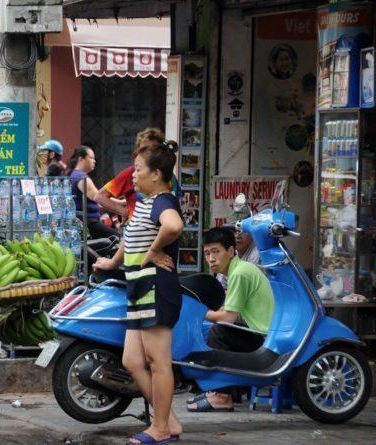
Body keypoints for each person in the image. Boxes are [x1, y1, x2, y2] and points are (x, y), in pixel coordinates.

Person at [93, 141, 184, 444]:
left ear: (156, 174)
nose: (133, 175)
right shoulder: (147, 202)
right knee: (133, 360)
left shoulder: (163, 202)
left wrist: (154, 251)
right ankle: (167, 419)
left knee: (159, 361)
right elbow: (131, 236)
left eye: (139, 170)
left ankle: (159, 427)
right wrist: (113, 261)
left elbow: (173, 225)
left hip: (156, 289)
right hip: (140, 291)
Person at [187, 227, 275, 413]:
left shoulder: (240, 273)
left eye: (216, 252)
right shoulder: (237, 270)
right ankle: (218, 389)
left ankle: (223, 396)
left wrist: (197, 312)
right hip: (260, 334)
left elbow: (227, 317)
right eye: (207, 253)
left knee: (218, 332)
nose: (211, 258)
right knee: (213, 328)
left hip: (265, 341)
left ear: (230, 251)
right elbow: (226, 308)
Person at [95, 127, 181, 224]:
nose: (147, 154)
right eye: (143, 150)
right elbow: (100, 196)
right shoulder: (131, 173)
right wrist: (124, 212)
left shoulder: (170, 176)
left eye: (152, 150)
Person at [65, 145, 117, 239]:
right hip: (89, 223)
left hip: (85, 222)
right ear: (81, 159)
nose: (94, 161)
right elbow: (98, 198)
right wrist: (120, 204)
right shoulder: (81, 178)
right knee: (116, 237)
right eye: (91, 158)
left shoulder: (74, 175)